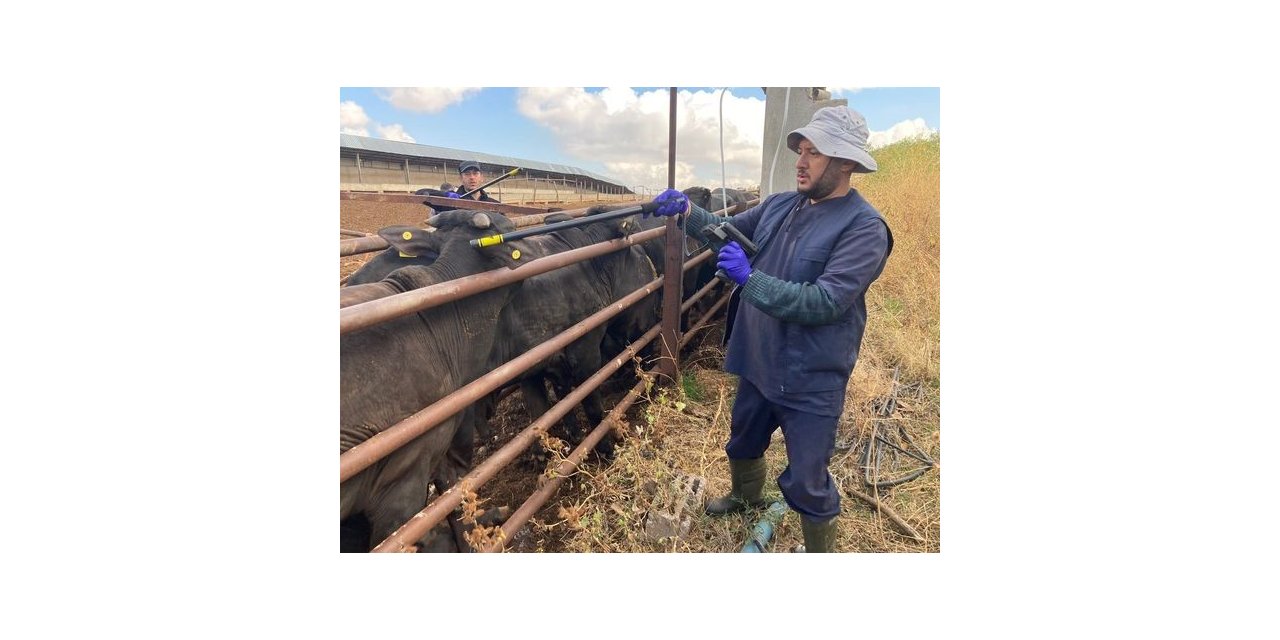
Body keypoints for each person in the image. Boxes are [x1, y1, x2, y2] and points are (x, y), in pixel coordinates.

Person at [646, 106, 893, 552]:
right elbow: (727, 232)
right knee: (743, 440)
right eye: (801, 149)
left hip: (811, 373)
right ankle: (745, 497)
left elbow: (825, 301)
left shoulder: (864, 228)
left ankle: (820, 549)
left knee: (807, 480)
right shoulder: (781, 205)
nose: (800, 160)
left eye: (815, 153)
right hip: (759, 355)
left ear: (846, 163)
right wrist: (688, 211)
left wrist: (749, 279)